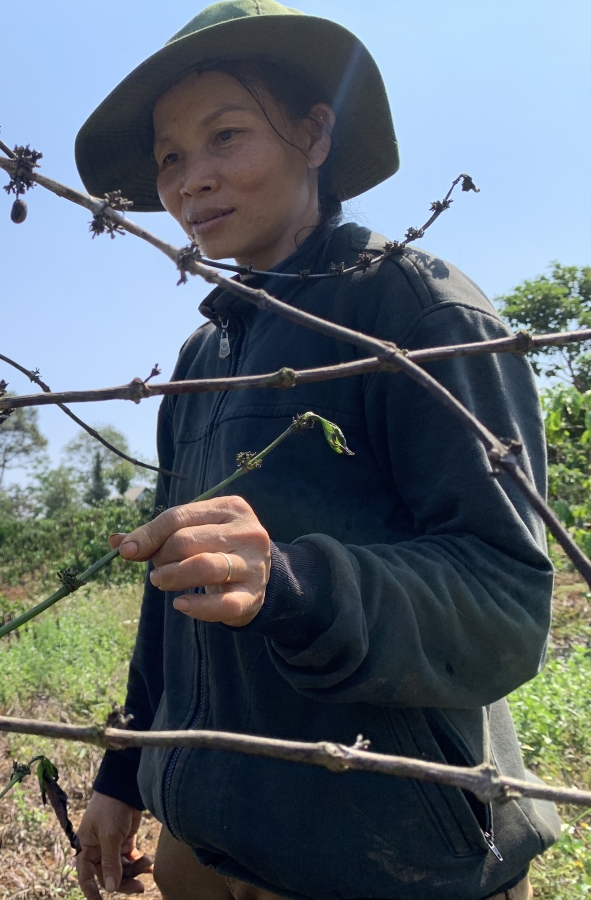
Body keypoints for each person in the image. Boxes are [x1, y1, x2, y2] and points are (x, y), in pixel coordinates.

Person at [70, 2, 560, 899]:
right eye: (170, 158)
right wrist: (122, 767)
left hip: (390, 852)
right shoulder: (201, 360)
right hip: (211, 845)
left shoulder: (419, 315)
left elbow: (507, 604)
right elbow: (172, 586)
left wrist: (294, 583)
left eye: (226, 135)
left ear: (315, 132)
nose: (191, 181)